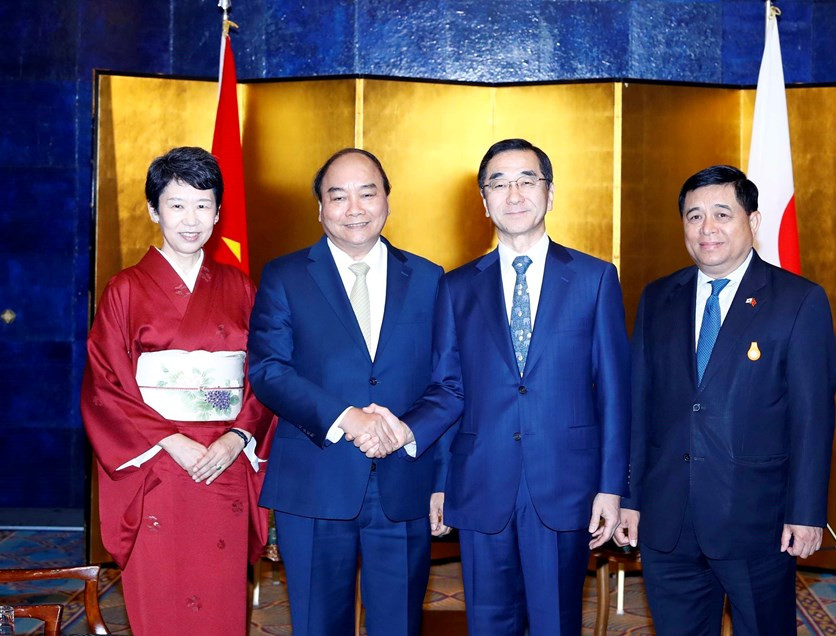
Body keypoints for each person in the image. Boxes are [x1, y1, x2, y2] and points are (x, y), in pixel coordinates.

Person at [367, 138, 632, 634]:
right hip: (481, 482)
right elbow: (449, 389)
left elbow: (615, 393)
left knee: (556, 622)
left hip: (565, 484)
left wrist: (612, 486)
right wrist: (440, 479)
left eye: (527, 180)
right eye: (499, 183)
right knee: (489, 622)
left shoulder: (596, 279)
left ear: (550, 193)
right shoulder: (458, 286)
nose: (514, 194)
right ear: (483, 200)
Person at [615, 165, 836, 635]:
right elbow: (639, 409)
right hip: (668, 520)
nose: (707, 228)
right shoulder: (658, 297)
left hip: (757, 521)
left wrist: (806, 512)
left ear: (753, 222)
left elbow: (812, 418)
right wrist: (630, 498)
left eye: (722, 214)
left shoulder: (798, 301)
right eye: (694, 216)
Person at [247, 148, 449, 636]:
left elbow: (449, 384)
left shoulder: (429, 278)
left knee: (398, 625)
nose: (354, 208)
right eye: (338, 196)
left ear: (387, 201)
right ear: (319, 208)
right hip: (315, 482)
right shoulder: (285, 275)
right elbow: (268, 370)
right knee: (318, 624)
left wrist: (428, 461)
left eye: (367, 193)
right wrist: (347, 418)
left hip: (404, 482)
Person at [81, 146, 275, 635]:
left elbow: (266, 375)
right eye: (177, 205)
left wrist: (236, 438)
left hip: (225, 461)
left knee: (220, 601)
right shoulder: (125, 289)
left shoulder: (241, 286)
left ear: (218, 211)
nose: (192, 219)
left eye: (203, 205)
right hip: (157, 464)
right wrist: (172, 441)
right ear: (153, 210)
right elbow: (106, 381)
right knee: (161, 595)